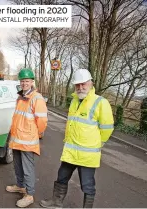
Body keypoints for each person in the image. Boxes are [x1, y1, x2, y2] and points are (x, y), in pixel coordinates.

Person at [40, 69, 114, 208]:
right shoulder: (74, 100)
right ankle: (56, 202)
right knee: (61, 177)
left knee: (87, 185)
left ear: (91, 83)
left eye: (83, 84)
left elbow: (107, 128)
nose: (80, 87)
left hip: (87, 154)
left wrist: (99, 143)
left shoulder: (100, 102)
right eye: (77, 85)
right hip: (71, 152)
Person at [6, 68, 48, 208]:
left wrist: (38, 133)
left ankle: (29, 195)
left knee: (28, 168)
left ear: (32, 82)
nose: (24, 83)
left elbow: (42, 121)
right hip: (17, 139)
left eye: (27, 81)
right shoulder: (21, 97)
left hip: (28, 141)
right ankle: (20, 186)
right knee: (17, 165)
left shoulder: (37, 98)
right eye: (22, 81)